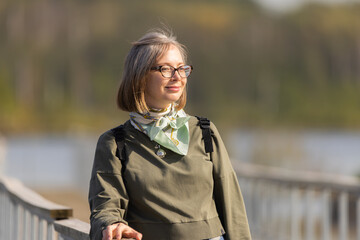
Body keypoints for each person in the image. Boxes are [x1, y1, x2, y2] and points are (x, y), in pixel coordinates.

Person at [88, 28, 251, 240]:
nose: (177, 77)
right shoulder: (114, 143)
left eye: (181, 68)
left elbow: (232, 206)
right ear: (140, 76)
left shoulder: (204, 132)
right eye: (165, 69)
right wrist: (112, 224)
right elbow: (105, 204)